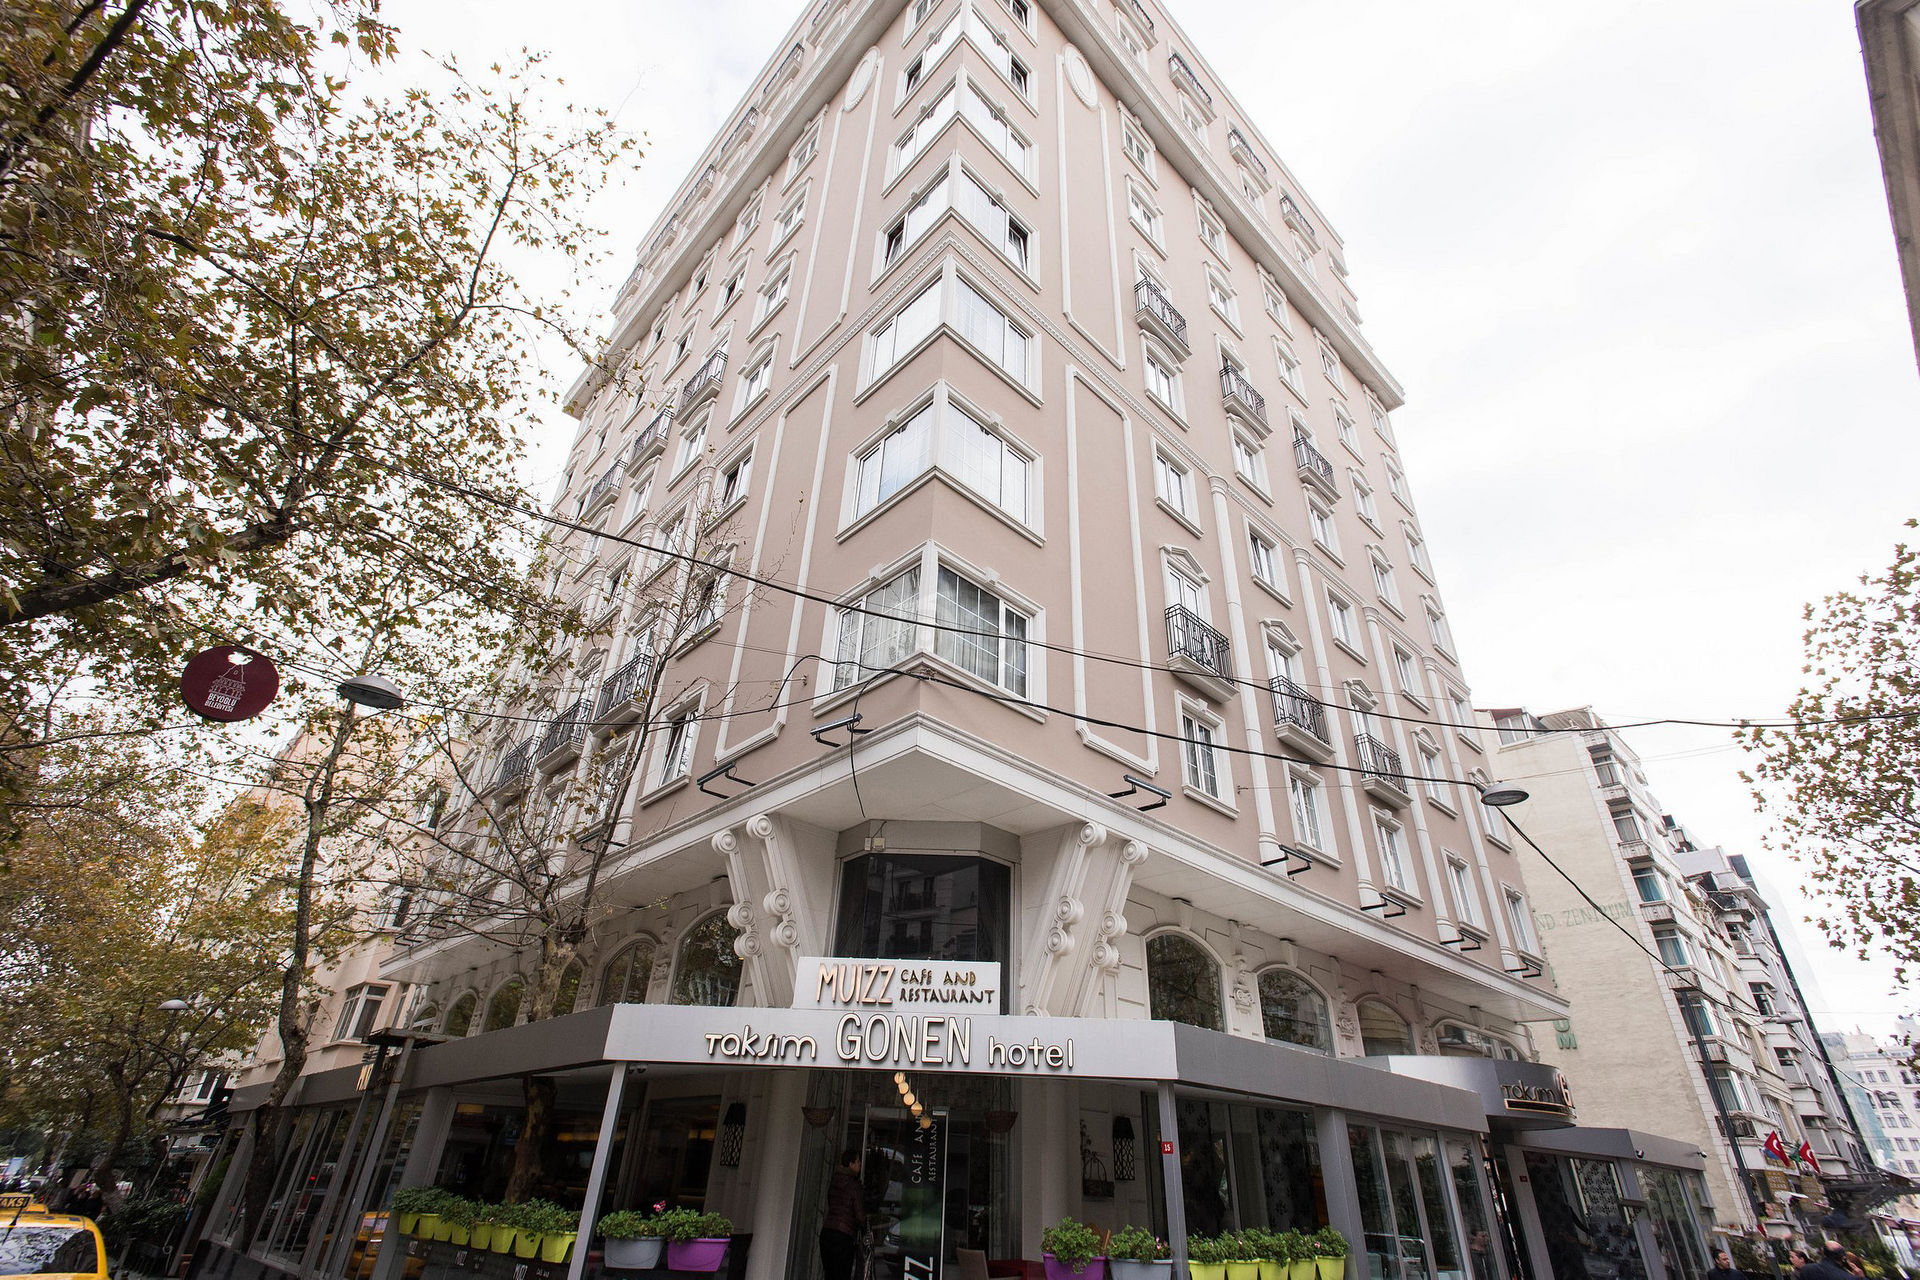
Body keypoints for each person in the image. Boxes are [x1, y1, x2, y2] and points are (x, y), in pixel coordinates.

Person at [820, 1148, 866, 1280]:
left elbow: (831, 1202)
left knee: (829, 1275)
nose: (860, 1164)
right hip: (843, 1236)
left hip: (827, 1232)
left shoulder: (834, 1181)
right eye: (858, 1161)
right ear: (851, 1165)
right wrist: (865, 1232)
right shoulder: (854, 1186)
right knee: (842, 1275)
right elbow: (859, 1215)